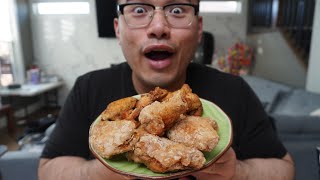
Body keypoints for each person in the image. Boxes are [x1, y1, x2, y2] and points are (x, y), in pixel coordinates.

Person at [38, 0, 295, 179]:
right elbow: (47, 168)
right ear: (118, 29)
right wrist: (97, 173)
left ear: (198, 29)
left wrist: (237, 173)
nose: (159, 27)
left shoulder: (235, 90)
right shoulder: (88, 88)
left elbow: (284, 168)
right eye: (139, 9)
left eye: (177, 9)